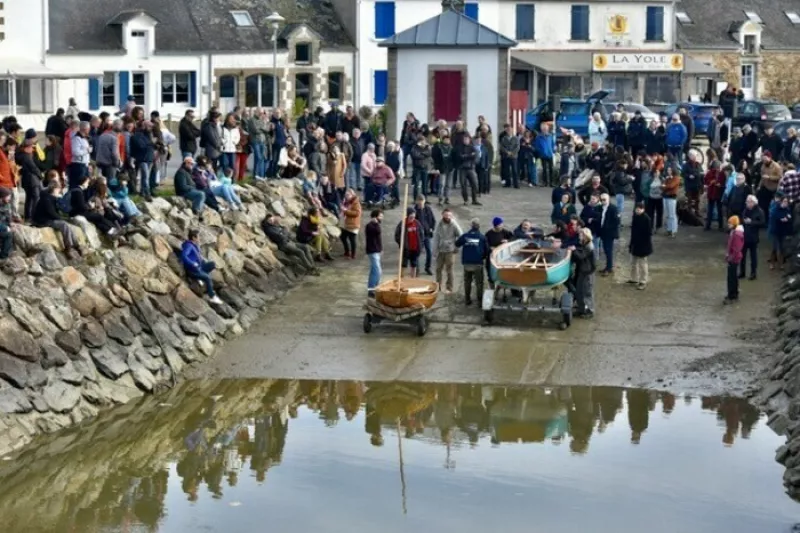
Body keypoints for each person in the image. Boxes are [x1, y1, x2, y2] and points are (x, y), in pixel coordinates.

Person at [181, 229, 224, 304]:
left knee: (212, 264)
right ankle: (212, 297)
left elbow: (197, 256)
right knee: (207, 278)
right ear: (194, 238)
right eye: (198, 237)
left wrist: (202, 261)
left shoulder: (195, 245)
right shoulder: (189, 246)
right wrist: (192, 263)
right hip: (193, 270)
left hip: (199, 267)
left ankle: (199, 277)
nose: (199, 238)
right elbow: (184, 256)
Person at [456, 218, 488, 306]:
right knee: (479, 283)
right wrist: (483, 257)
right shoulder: (482, 237)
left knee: (467, 282)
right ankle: (479, 301)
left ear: (471, 226)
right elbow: (487, 250)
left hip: (467, 263)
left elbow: (457, 243)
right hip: (478, 263)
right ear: (479, 226)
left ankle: (467, 299)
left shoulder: (465, 236)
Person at [432, 208, 462, 293]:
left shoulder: (454, 224)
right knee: (438, 269)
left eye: (449, 215)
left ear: (451, 216)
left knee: (449, 270)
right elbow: (436, 238)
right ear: (442, 215)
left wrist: (456, 247)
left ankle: (449, 288)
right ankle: (438, 287)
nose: (447, 217)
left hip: (450, 251)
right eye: (445, 215)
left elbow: (461, 235)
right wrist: (434, 251)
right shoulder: (439, 224)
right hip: (441, 250)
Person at [569, 228, 596, 318]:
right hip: (583, 270)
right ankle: (582, 309)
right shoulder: (584, 244)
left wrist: (574, 250)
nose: (579, 236)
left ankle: (589, 311)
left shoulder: (589, 246)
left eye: (580, 235)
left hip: (587, 271)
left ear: (585, 236)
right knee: (579, 290)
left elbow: (581, 256)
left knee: (586, 292)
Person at [16, 138, 43, 221]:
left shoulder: (22, 155)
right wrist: (41, 175)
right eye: (32, 147)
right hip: (32, 181)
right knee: (36, 198)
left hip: (27, 181)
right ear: (26, 148)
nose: (33, 149)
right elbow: (33, 168)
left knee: (29, 199)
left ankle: (28, 216)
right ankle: (35, 217)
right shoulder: (26, 156)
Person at [739, 195, 764, 281]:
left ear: (753, 203)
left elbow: (762, 223)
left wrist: (752, 222)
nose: (746, 203)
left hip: (753, 237)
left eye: (748, 201)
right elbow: (742, 219)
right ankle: (742, 272)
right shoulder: (745, 210)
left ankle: (753, 273)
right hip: (744, 236)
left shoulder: (759, 211)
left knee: (753, 257)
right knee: (742, 256)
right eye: (746, 201)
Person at [628, 202, 652, 290]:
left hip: (643, 245)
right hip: (635, 244)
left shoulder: (646, 219)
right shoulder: (635, 217)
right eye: (636, 209)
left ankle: (643, 281)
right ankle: (634, 278)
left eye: (639, 209)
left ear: (643, 209)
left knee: (643, 264)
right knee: (634, 263)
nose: (637, 211)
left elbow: (648, 234)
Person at [130, 121, 156, 200]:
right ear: (144, 126)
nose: (151, 128)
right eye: (149, 126)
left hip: (149, 158)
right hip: (142, 159)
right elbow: (140, 146)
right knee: (145, 176)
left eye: (152, 127)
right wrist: (151, 143)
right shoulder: (137, 135)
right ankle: (147, 194)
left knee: (145, 176)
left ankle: (142, 192)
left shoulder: (150, 135)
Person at [452, 133, 481, 206]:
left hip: (471, 168)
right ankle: (466, 200)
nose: (466, 140)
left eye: (467, 139)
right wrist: (470, 156)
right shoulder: (459, 148)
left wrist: (468, 157)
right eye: (465, 139)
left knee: (474, 184)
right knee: (463, 185)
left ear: (469, 139)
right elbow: (460, 157)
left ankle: (474, 200)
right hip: (462, 169)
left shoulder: (472, 147)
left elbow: (476, 157)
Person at [485, 217, 513, 288]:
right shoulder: (488, 234)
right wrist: (491, 248)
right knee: (491, 275)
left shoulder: (505, 232)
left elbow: (513, 238)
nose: (502, 225)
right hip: (492, 257)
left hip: (502, 257)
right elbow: (485, 245)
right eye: (501, 224)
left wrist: (507, 241)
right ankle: (492, 289)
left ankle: (500, 288)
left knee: (502, 275)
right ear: (496, 226)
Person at [395, 207, 423, 278]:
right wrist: (401, 244)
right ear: (407, 216)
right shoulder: (403, 223)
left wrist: (420, 244)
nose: (412, 218)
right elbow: (397, 235)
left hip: (415, 248)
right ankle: (401, 280)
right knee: (403, 264)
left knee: (414, 265)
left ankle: (412, 280)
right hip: (406, 249)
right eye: (411, 217)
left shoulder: (417, 223)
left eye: (414, 217)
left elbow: (422, 234)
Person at [414, 195, 436, 275]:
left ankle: (428, 267)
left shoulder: (428, 209)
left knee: (429, 252)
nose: (421, 203)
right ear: (416, 201)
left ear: (424, 201)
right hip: (418, 236)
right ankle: (416, 269)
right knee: (417, 252)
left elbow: (433, 220)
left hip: (427, 234)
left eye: (422, 201)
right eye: (419, 201)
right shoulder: (414, 211)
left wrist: (431, 228)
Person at [724, 216, 744, 305]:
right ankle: (733, 294)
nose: (728, 225)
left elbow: (736, 249)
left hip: (734, 258)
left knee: (731, 277)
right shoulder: (735, 232)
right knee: (733, 276)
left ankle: (732, 295)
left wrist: (730, 258)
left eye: (730, 223)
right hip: (734, 257)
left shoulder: (736, 234)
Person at [598, 193, 619, 275]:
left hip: (609, 233)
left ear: (608, 199)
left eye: (604, 199)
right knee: (606, 250)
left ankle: (609, 267)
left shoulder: (613, 208)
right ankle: (608, 267)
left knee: (608, 250)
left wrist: (608, 227)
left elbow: (617, 221)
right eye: (601, 199)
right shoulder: (600, 207)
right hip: (603, 232)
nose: (603, 201)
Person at [769, 195, 792, 270]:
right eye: (784, 201)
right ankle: (772, 263)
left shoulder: (787, 209)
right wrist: (781, 219)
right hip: (776, 231)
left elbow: (789, 217)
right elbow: (773, 217)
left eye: (787, 202)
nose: (786, 203)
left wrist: (787, 219)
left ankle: (781, 264)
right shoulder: (776, 209)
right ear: (781, 201)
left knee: (782, 248)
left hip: (783, 231)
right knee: (775, 248)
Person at [365, 209, 384, 295]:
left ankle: (372, 288)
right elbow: (377, 232)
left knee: (374, 270)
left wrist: (381, 249)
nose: (382, 218)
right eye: (380, 216)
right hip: (372, 251)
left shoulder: (376, 225)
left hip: (376, 250)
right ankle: (372, 289)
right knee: (377, 271)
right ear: (375, 217)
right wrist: (375, 223)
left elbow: (378, 238)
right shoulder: (370, 226)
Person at [340, 189, 362, 259]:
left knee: (352, 239)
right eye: (346, 195)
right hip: (347, 223)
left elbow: (357, 213)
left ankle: (353, 254)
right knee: (343, 237)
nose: (346, 196)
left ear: (352, 195)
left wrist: (346, 211)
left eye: (348, 195)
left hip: (353, 224)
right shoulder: (346, 202)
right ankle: (347, 252)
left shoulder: (356, 203)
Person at [704, 160, 725, 231]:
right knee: (712, 210)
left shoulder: (721, 173)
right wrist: (711, 182)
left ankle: (720, 226)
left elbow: (723, 184)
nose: (717, 169)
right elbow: (706, 181)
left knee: (718, 210)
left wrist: (720, 185)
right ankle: (710, 226)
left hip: (717, 194)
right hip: (712, 194)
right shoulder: (710, 173)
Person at [662, 166, 680, 237]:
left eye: (669, 170)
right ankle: (669, 230)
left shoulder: (676, 178)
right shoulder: (667, 178)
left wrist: (664, 186)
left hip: (672, 198)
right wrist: (664, 186)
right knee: (667, 215)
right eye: (668, 170)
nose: (668, 171)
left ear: (673, 171)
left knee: (672, 215)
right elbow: (664, 186)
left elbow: (671, 186)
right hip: (666, 197)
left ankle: (673, 230)